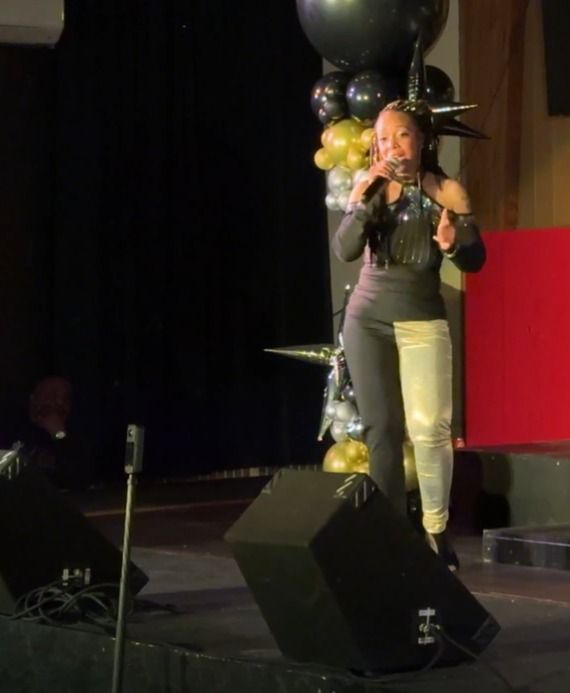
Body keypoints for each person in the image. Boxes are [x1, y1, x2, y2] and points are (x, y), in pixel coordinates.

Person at [332, 99, 486, 570]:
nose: (391, 146)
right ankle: (392, 536)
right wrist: (368, 197)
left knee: (430, 429)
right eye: (382, 139)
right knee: (381, 429)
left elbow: (476, 260)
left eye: (400, 135)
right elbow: (345, 249)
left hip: (421, 318)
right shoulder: (368, 185)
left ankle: (435, 530)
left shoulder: (446, 192)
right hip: (367, 320)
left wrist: (452, 245)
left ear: (421, 140)